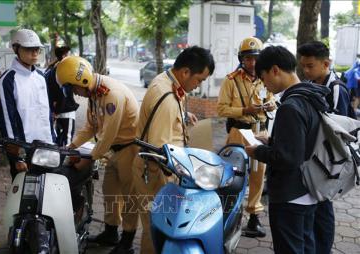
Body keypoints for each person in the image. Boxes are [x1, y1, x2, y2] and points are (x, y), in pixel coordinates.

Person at [245, 45, 330, 254]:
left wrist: (257, 151)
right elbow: (302, 142)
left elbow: (287, 158)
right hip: (309, 191)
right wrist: (273, 140)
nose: (264, 84)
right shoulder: (312, 96)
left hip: (290, 195)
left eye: (263, 77)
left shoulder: (290, 106)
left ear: (275, 70)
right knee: (307, 246)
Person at [132, 46, 215, 254]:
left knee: (157, 226)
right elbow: (161, 151)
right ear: (185, 72)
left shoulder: (166, 80)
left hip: (151, 169)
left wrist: (184, 118)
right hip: (156, 174)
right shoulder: (167, 98)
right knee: (157, 228)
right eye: (199, 80)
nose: (198, 86)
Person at [56, 56, 139, 254]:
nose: (75, 93)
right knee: (110, 192)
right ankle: (111, 233)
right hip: (112, 150)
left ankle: (127, 242)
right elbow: (91, 127)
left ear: (82, 82)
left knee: (129, 198)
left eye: (74, 88)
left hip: (129, 149)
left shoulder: (112, 95)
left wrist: (89, 158)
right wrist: (70, 146)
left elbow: (108, 134)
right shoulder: (94, 94)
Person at [298, 41, 353, 254]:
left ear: (326, 63)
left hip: (331, 160)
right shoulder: (311, 83)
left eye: (310, 65)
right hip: (315, 157)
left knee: (323, 206)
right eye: (303, 65)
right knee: (317, 205)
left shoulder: (336, 88)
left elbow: (339, 127)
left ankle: (324, 249)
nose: (306, 70)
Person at [217, 37, 275, 238]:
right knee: (232, 174)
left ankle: (254, 217)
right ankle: (228, 214)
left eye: (256, 58)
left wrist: (270, 106)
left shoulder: (265, 79)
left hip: (260, 132)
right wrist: (245, 109)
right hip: (238, 131)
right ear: (242, 59)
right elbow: (221, 109)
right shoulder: (230, 80)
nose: (252, 63)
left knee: (259, 175)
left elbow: (272, 101)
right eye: (248, 58)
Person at [0, 29, 55, 180]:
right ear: (16, 49)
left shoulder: (41, 76)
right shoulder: (6, 80)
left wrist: (53, 140)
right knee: (24, 196)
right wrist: (17, 158)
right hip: (23, 149)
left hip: (46, 146)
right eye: (28, 49)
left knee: (47, 191)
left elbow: (46, 113)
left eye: (37, 49)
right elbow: (6, 120)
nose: (34, 53)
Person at [45, 46, 79, 146]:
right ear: (64, 56)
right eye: (69, 54)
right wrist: (57, 110)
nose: (71, 57)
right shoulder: (62, 70)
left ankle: (59, 160)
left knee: (60, 140)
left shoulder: (52, 68)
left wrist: (54, 110)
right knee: (67, 141)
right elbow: (63, 92)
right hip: (65, 110)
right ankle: (64, 160)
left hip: (57, 110)